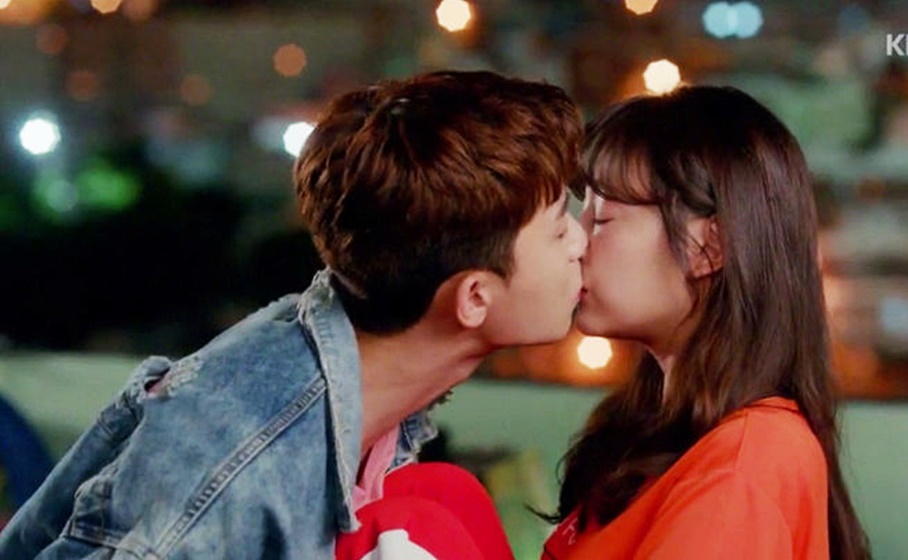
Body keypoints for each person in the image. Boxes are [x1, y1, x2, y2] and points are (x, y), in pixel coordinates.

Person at [0, 70, 586, 559]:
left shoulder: (348, 375)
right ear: (474, 298)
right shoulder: (244, 468)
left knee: (442, 495)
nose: (582, 241)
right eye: (560, 228)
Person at [541, 86, 871, 559]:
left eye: (604, 218)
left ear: (708, 248)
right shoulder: (674, 434)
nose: (577, 240)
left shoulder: (742, 467)